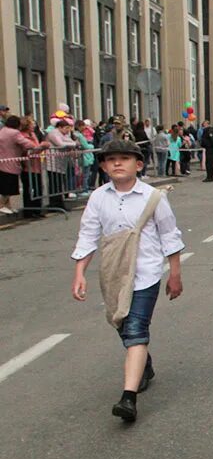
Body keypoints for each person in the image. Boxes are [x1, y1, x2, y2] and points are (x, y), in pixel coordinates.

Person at [71, 139, 185, 423]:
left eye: (125, 158)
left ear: (139, 164)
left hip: (146, 273)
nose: (118, 163)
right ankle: (143, 363)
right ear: (103, 166)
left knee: (135, 328)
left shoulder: (153, 197)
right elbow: (87, 234)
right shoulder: (99, 197)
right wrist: (79, 273)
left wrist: (175, 275)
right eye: (111, 160)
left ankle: (128, 398)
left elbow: (169, 236)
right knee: (122, 324)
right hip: (113, 274)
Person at [0, 115, 41, 215]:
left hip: (4, 161)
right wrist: (36, 146)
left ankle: (7, 206)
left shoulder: (3, 130)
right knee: (8, 187)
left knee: (6, 185)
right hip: (11, 162)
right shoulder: (14, 133)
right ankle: (2, 205)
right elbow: (26, 143)